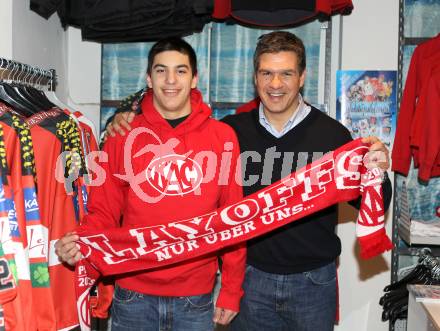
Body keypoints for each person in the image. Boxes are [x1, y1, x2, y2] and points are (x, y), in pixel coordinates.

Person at [105, 31, 392, 331]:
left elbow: (373, 202)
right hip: (251, 280)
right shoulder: (231, 131)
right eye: (267, 73)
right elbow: (175, 124)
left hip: (313, 282)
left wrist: (377, 171)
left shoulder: (332, 134)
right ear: (255, 77)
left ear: (302, 77)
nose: (276, 84)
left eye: (286, 74)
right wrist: (127, 117)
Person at [55, 37, 246, 331]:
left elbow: (233, 220)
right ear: (148, 77)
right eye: (161, 71)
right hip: (133, 295)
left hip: (196, 297)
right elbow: (104, 210)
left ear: (194, 79)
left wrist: (231, 290)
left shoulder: (222, 137)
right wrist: (81, 241)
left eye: (181, 71)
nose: (171, 80)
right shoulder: (121, 134)